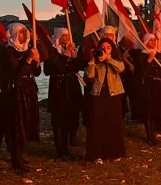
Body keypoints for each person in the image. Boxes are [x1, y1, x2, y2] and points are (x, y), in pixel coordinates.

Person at [0, 23, 41, 174]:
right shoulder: (8, 51)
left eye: (25, 33)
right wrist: (29, 59)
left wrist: (36, 60)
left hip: (28, 89)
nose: (24, 36)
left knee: (26, 121)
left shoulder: (28, 50)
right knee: (16, 124)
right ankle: (16, 161)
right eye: (21, 33)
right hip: (14, 91)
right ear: (14, 34)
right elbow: (16, 73)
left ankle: (20, 156)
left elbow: (36, 72)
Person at [44, 28, 84, 160]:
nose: (67, 38)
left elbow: (77, 68)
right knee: (59, 117)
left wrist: (75, 58)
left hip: (71, 85)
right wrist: (66, 54)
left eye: (68, 35)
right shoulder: (52, 50)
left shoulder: (70, 50)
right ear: (58, 37)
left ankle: (68, 146)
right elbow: (57, 67)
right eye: (64, 35)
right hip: (58, 87)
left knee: (70, 114)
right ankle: (60, 149)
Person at [85, 37, 126, 163]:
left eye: (108, 48)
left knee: (113, 124)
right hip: (98, 94)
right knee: (97, 125)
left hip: (114, 93)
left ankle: (114, 152)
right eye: (103, 48)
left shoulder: (115, 59)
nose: (105, 50)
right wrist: (92, 60)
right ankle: (96, 154)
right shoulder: (96, 60)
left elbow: (121, 68)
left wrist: (108, 58)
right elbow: (89, 76)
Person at [133, 34, 161, 145]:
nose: (153, 42)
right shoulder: (142, 56)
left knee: (157, 109)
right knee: (149, 110)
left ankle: (155, 131)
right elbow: (142, 72)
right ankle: (149, 135)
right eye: (150, 40)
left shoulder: (159, 55)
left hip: (159, 85)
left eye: (154, 40)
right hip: (148, 85)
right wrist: (149, 60)